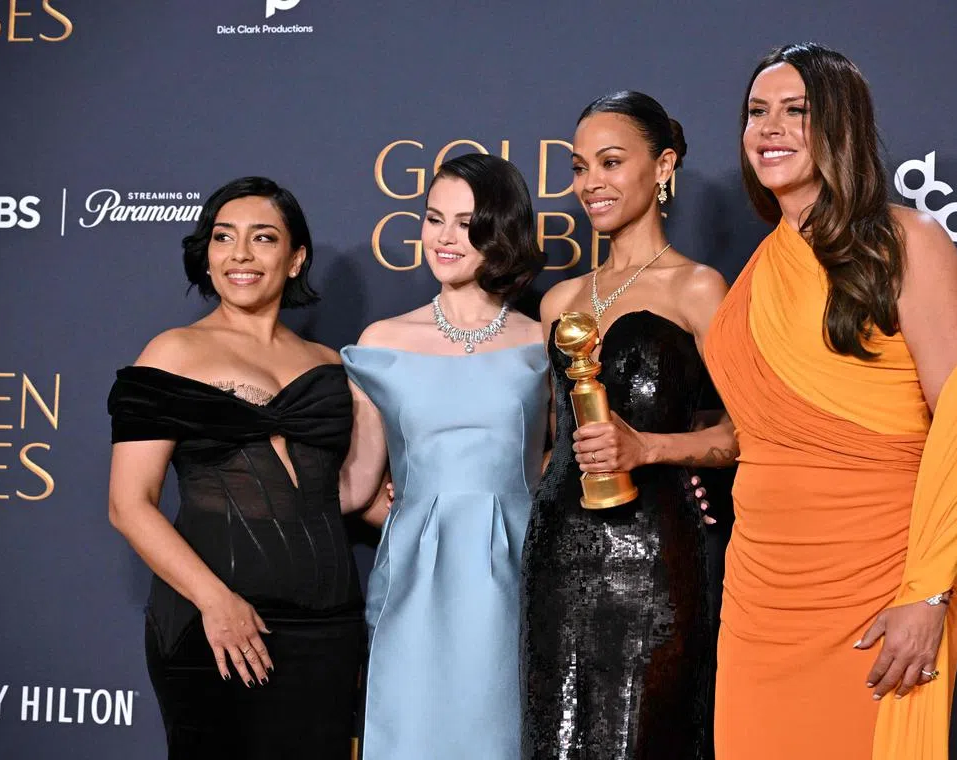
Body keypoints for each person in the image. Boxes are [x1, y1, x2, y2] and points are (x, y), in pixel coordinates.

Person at [705, 44, 957, 759]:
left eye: (795, 112)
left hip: (882, 577)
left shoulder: (907, 243)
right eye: (756, 112)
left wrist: (927, 594)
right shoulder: (757, 268)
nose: (768, 129)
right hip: (759, 591)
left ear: (841, 126)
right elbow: (768, 427)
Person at [107, 177, 370, 759]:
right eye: (223, 238)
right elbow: (129, 504)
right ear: (207, 253)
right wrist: (215, 602)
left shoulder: (328, 366)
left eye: (263, 238)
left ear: (296, 258)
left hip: (329, 629)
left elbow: (344, 494)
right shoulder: (173, 352)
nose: (240, 255)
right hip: (217, 627)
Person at [521, 91, 735, 759]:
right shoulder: (558, 299)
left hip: (657, 560)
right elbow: (551, 438)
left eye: (611, 162)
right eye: (580, 167)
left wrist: (653, 447)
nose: (590, 184)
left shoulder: (698, 288)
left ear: (663, 164)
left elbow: (749, 433)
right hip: (557, 549)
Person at [339, 153, 547, 759]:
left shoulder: (540, 342)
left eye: (467, 222)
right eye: (434, 219)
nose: (445, 238)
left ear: (501, 232)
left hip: (516, 578)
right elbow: (355, 484)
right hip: (414, 578)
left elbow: (570, 462)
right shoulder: (384, 343)